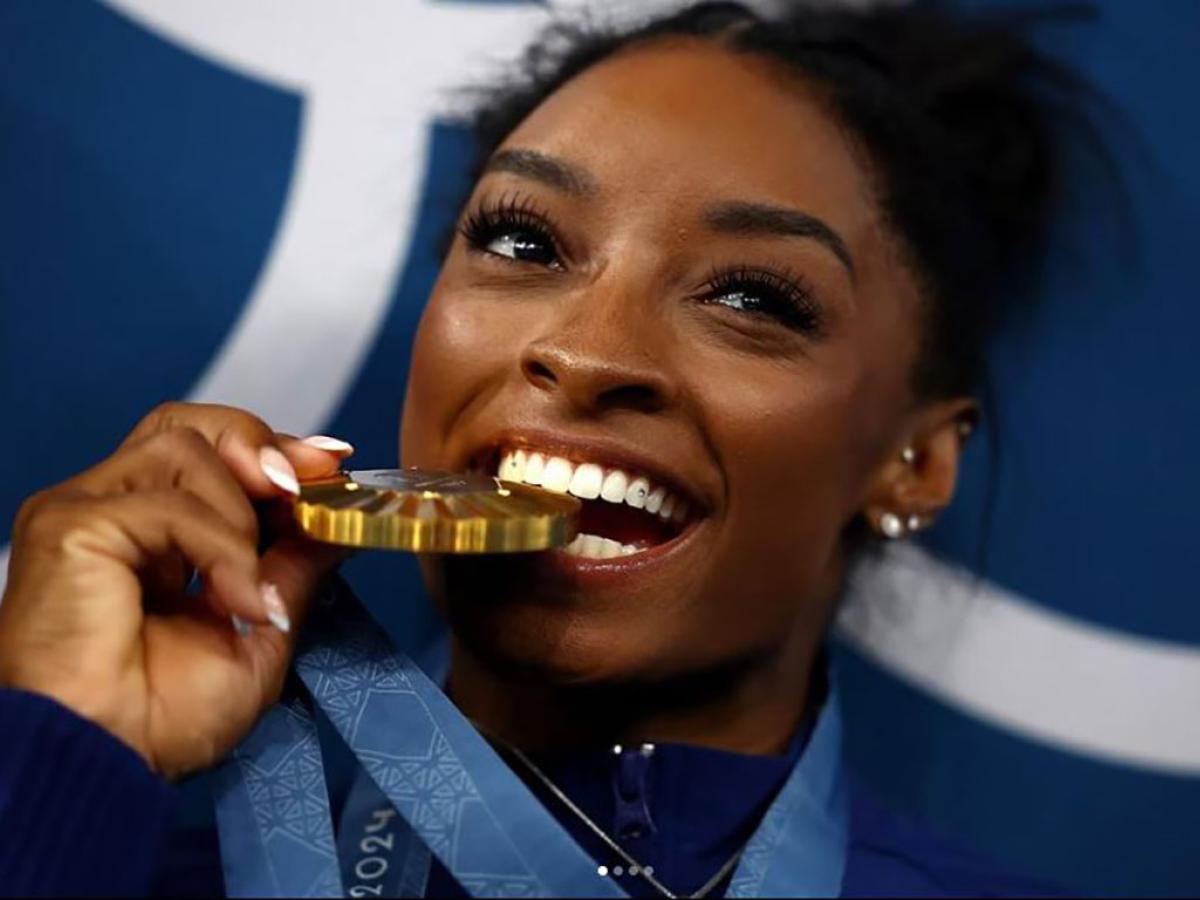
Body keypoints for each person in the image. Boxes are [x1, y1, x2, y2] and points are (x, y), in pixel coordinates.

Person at [0, 1, 1099, 895]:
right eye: (521, 241)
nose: (583, 352)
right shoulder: (79, 855)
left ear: (916, 461)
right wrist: (71, 748)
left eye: (753, 296)